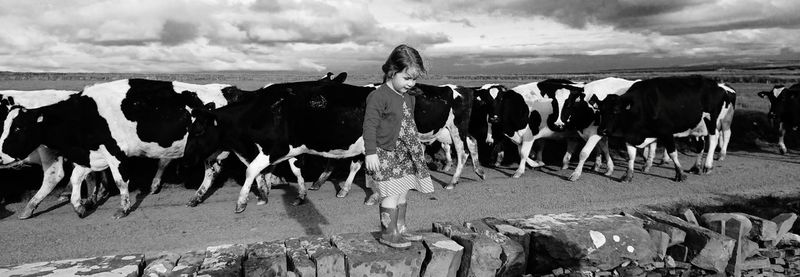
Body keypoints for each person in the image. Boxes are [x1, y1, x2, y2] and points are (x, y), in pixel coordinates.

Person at [363, 44, 435, 248]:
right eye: (407, 78)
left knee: (403, 190)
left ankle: (400, 228)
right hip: (386, 153)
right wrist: (370, 153)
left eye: (414, 78)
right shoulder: (378, 96)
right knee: (391, 193)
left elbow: (407, 122)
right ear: (392, 72)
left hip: (404, 152)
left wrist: (415, 146)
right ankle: (388, 233)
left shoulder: (407, 95)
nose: (411, 83)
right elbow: (369, 126)